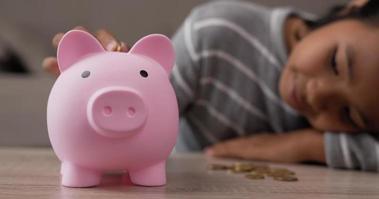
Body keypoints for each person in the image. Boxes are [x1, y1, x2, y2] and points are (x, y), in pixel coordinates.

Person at [43, 0, 379, 171]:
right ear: (354, 7)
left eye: (349, 115)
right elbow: (138, 115)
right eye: (336, 63)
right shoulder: (216, 35)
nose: (318, 96)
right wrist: (105, 77)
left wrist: (311, 146)